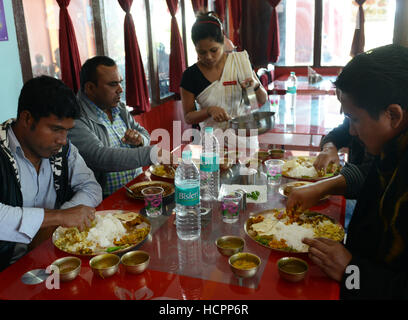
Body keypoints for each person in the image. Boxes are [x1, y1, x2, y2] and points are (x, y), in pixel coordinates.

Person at [287, 44, 408, 299]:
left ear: (393, 115)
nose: (350, 133)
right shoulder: (392, 148)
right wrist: (320, 188)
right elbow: (366, 177)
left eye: (354, 119)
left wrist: (352, 272)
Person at [0, 76, 102, 271]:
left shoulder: (62, 150)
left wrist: (55, 224)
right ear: (27, 118)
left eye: (67, 131)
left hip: (53, 256)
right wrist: (57, 217)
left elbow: (91, 187)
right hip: (7, 269)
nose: (63, 140)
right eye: (56, 129)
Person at [68, 56, 162, 197]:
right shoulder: (76, 118)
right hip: (106, 201)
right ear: (90, 88)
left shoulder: (119, 108)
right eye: (113, 84)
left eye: (120, 83)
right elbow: (100, 157)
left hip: (137, 188)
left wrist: (140, 140)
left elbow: (143, 133)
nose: (120, 90)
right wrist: (149, 154)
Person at [180, 12, 268, 152]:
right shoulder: (190, 76)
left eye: (214, 50)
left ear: (222, 42)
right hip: (213, 145)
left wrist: (255, 87)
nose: (208, 57)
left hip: (245, 141)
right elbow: (189, 117)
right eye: (201, 52)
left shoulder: (240, 63)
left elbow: (262, 99)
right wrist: (209, 111)